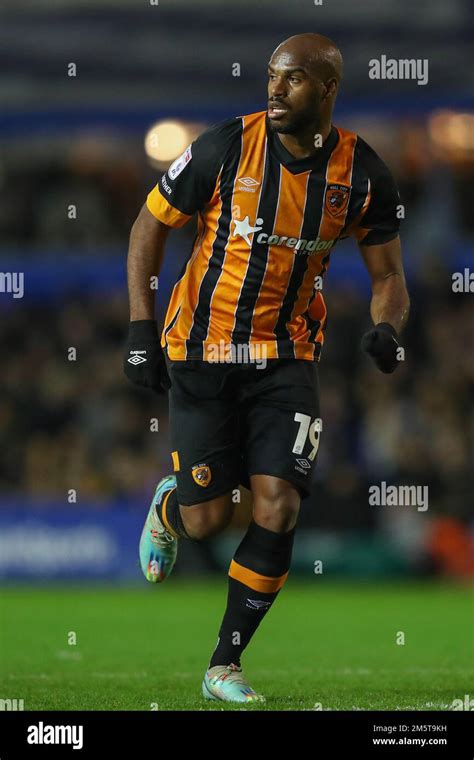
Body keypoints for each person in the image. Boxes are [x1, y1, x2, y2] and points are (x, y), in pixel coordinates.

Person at [123, 32, 410, 704]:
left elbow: (390, 273)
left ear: (328, 89)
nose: (276, 90)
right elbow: (148, 224)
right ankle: (172, 502)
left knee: (279, 507)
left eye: (295, 79)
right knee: (208, 520)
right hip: (201, 352)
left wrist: (387, 326)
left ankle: (225, 664)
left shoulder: (363, 175)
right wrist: (140, 325)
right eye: (272, 76)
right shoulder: (227, 147)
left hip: (288, 358)